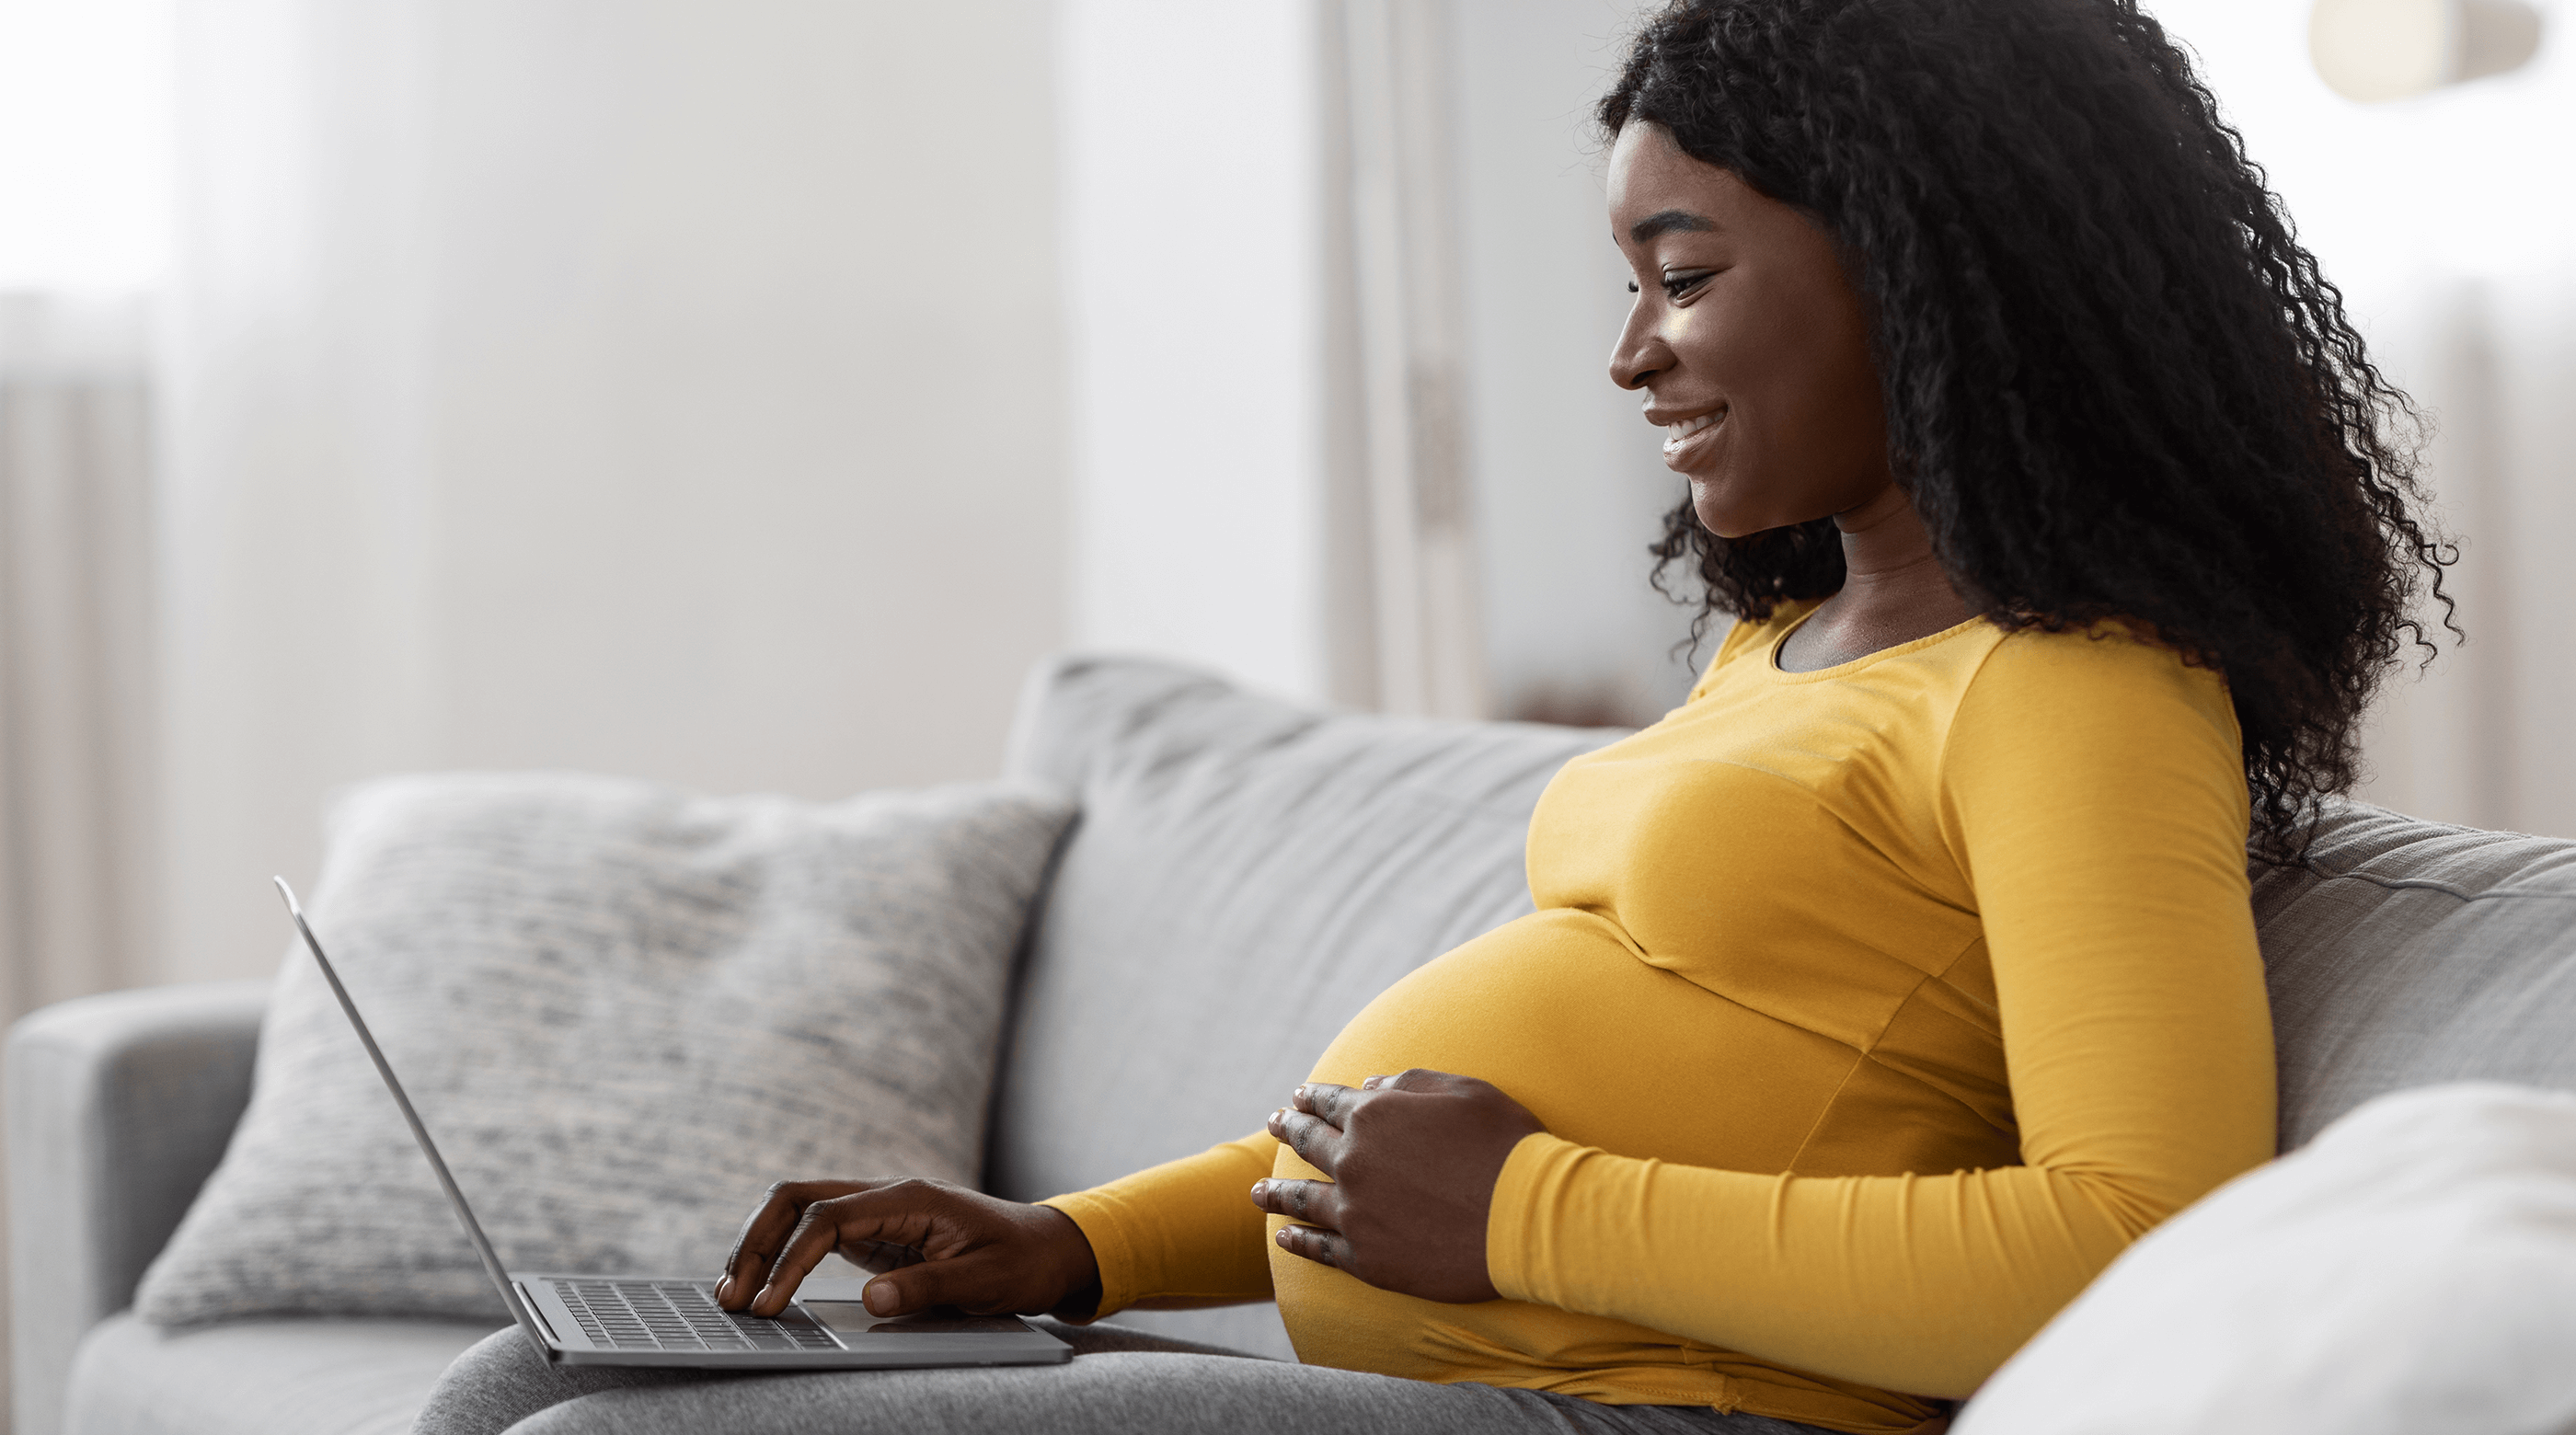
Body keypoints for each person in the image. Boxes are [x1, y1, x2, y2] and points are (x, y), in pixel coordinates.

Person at [416, 0, 2450, 1430]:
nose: (1628, 353)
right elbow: (1416, 1156)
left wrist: (1529, 1211)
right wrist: (1070, 1248)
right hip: (1499, 1387)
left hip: (1683, 1421)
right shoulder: (1780, 655)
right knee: (542, 1376)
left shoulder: (2074, 691)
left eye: (1680, 271)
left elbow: (2134, 1236)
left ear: (1925, 275)